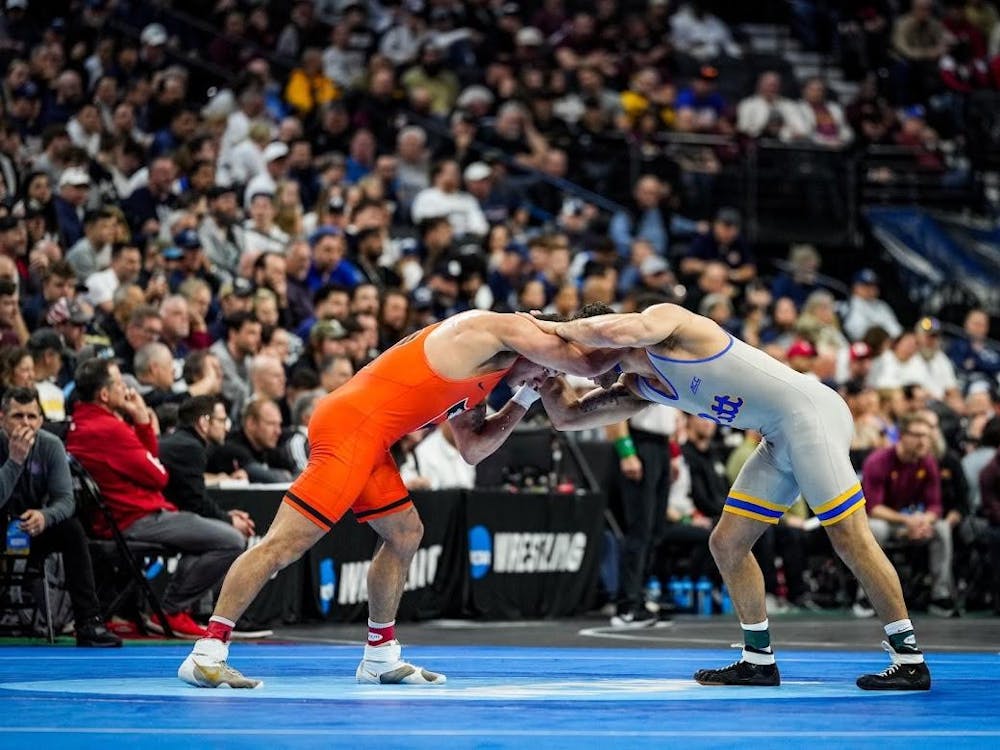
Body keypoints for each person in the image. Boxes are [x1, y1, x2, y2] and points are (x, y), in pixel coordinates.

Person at [178, 309, 615, 688]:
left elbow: (474, 449)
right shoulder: (497, 328)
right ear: (538, 343)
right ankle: (207, 652)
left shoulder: (492, 372)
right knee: (284, 545)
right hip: (349, 428)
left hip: (370, 436)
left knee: (405, 532)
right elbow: (582, 361)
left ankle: (380, 656)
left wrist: (523, 395)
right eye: (544, 372)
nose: (545, 380)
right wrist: (641, 354)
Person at [525, 302, 931, 690]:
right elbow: (567, 416)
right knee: (727, 543)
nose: (579, 369)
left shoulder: (667, 326)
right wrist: (543, 374)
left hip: (812, 416)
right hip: (779, 437)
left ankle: (910, 660)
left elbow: (621, 329)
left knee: (848, 537)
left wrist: (549, 328)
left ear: (598, 341)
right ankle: (758, 660)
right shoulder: (640, 386)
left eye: (575, 357)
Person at [66, 358, 246, 638]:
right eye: (119, 383)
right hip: (136, 519)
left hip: (119, 518)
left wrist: (138, 424)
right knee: (230, 539)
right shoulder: (109, 429)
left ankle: (157, 610)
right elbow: (159, 475)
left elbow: (151, 464)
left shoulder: (81, 423)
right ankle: (172, 610)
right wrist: (142, 422)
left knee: (203, 534)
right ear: (104, 394)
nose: (125, 389)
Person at [0, 386, 121, 647]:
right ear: (2, 418)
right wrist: (14, 461)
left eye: (32, 417)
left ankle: (88, 622)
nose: (25, 424)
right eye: (17, 416)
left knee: (72, 530)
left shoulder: (50, 445)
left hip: (33, 527)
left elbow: (66, 500)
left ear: (41, 420)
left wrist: (45, 516)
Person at [861, 412, 956, 617]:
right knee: (874, 529)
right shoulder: (878, 461)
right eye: (918, 435)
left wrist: (923, 521)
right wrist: (908, 521)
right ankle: (866, 596)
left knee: (941, 528)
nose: (924, 441)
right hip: (886, 522)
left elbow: (935, 506)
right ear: (903, 435)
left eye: (927, 436)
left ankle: (940, 594)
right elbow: (874, 507)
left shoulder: (928, 462)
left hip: (912, 521)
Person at [159, 396, 255, 539]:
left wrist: (226, 516)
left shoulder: (181, 442)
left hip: (166, 516)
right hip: (162, 521)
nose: (226, 428)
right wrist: (229, 521)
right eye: (222, 421)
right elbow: (197, 504)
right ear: (204, 422)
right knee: (232, 540)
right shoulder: (190, 447)